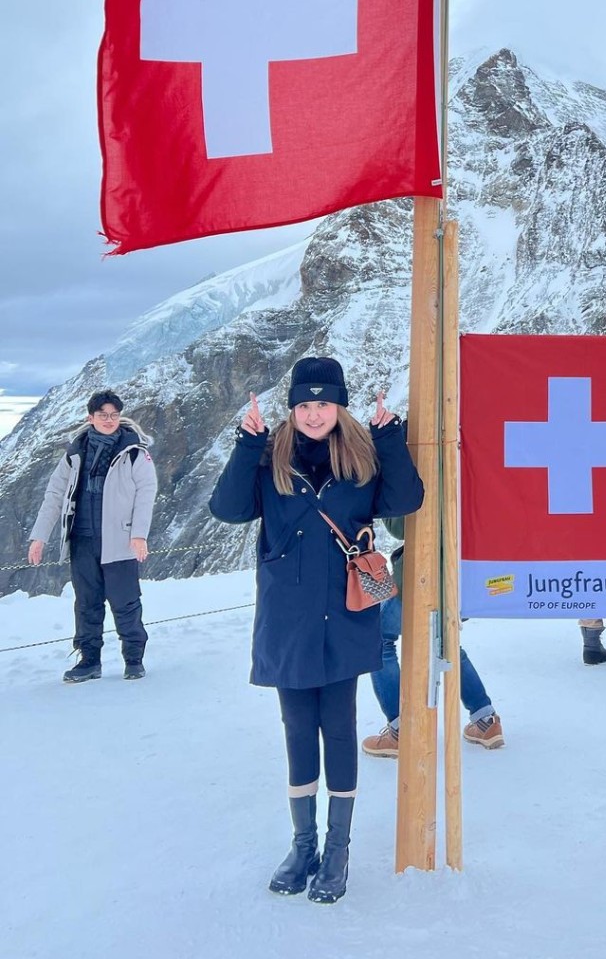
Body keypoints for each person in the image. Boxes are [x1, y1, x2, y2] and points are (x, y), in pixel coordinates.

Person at [209, 357, 424, 904]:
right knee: (297, 729)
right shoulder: (270, 459)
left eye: (323, 403)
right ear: (292, 408)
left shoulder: (363, 457)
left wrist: (391, 440)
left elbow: (405, 501)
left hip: (346, 616)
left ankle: (337, 850)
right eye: (304, 404)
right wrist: (246, 446)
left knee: (340, 726)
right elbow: (228, 509)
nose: (313, 413)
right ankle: (303, 846)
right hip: (286, 618)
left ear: (340, 405)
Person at [27, 389, 156, 683]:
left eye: (113, 415)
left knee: (126, 602)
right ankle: (89, 660)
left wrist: (139, 535)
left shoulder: (135, 451)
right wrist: (40, 537)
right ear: (91, 417)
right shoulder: (75, 453)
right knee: (86, 603)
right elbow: (55, 494)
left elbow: (146, 494)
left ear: (120, 416)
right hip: (82, 539)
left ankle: (134, 659)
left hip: (120, 541)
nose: (109, 420)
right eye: (102, 415)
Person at [362, 528, 504, 754]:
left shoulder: (424, 489)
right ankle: (485, 720)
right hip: (461, 576)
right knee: (446, 645)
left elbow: (400, 526)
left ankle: (400, 730)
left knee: (377, 640)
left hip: (422, 575)